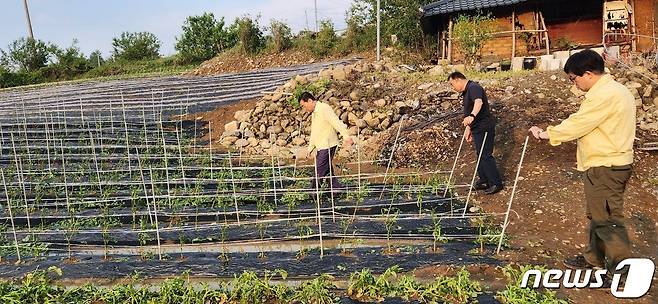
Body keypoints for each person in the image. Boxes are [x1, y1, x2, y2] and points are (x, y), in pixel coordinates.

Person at [528, 49, 635, 275]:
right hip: (603, 164)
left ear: (587, 74)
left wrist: (547, 133)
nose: (574, 84)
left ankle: (622, 273)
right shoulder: (610, 90)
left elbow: (580, 123)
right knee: (598, 215)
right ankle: (593, 258)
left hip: (607, 166)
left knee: (607, 220)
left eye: (573, 79)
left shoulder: (605, 95)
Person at [448, 71, 503, 195]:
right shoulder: (467, 91)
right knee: (480, 154)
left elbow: (479, 102)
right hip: (477, 127)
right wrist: (468, 128)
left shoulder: (474, 88)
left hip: (484, 126)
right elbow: (469, 111)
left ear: (458, 79)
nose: (453, 88)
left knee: (486, 154)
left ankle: (496, 183)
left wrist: (472, 116)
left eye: (452, 84)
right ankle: (484, 180)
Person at [298, 92, 353, 191]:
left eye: (304, 105)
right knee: (327, 171)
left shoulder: (324, 108)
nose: (304, 109)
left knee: (319, 171)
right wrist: (310, 148)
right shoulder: (315, 113)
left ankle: (314, 193)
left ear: (310, 101)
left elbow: (336, 122)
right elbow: (315, 132)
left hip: (328, 144)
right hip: (321, 145)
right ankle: (336, 190)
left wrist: (346, 136)